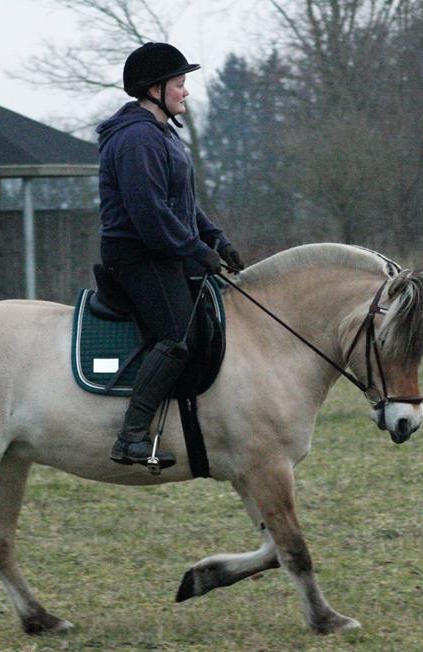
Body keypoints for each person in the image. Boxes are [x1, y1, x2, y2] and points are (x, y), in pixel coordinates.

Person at [97, 42, 243, 470]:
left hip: (163, 249)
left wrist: (216, 240)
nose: (186, 92)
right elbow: (150, 214)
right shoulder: (138, 139)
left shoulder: (162, 133)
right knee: (176, 338)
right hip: (138, 254)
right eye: (180, 84)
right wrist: (196, 251)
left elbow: (182, 203)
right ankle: (132, 436)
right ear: (155, 89)